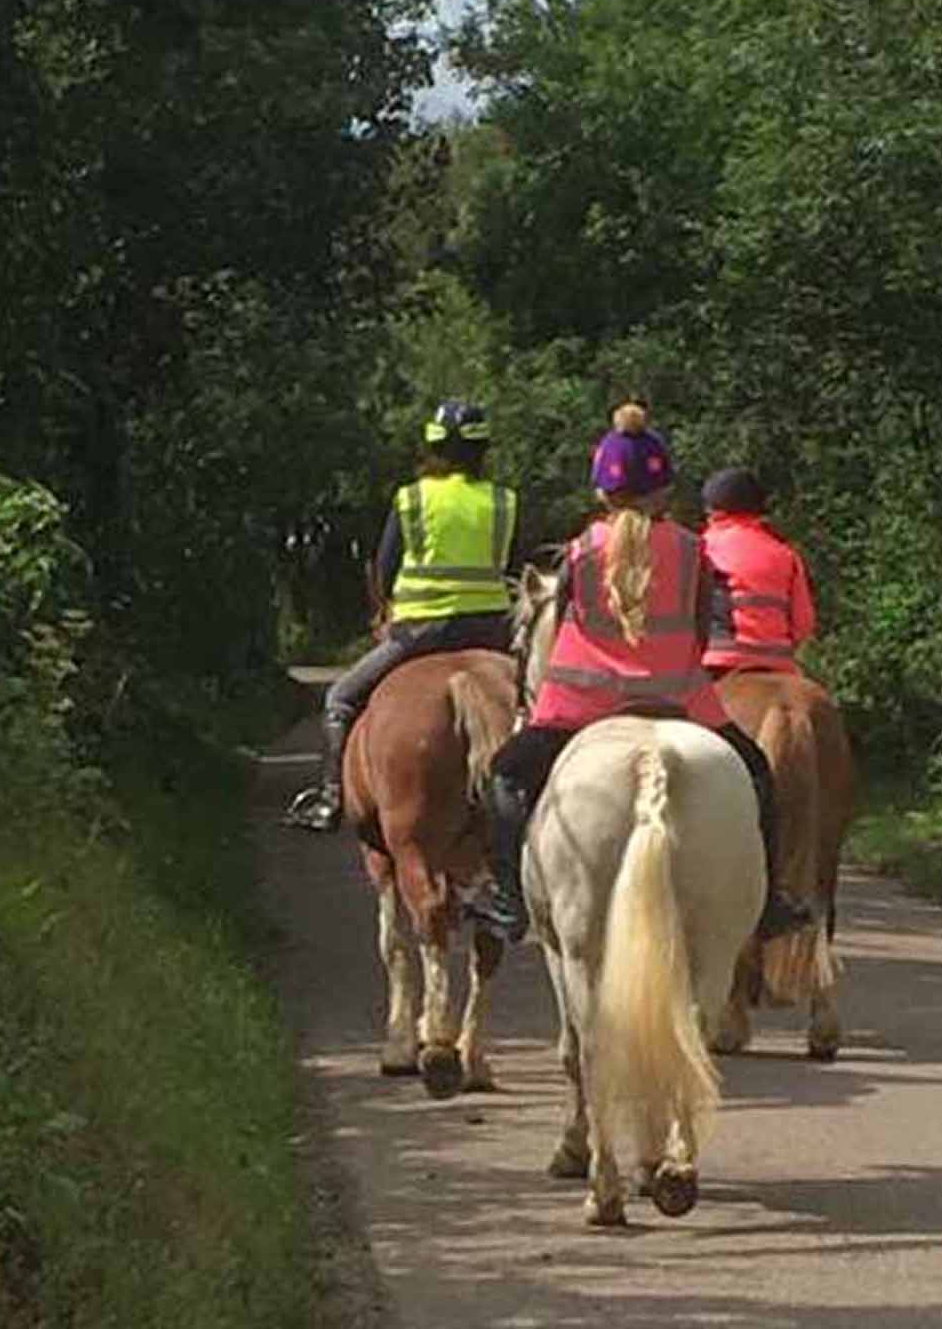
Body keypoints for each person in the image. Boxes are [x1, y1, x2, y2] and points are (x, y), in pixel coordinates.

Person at [471, 400, 812, 944]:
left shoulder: (580, 552)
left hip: (579, 708)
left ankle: (509, 902)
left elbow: (564, 632)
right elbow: (701, 633)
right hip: (680, 702)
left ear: (600, 491)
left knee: (506, 776)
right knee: (756, 775)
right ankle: (769, 903)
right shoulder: (691, 549)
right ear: (664, 491)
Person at [283, 399, 517, 833]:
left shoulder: (412, 499)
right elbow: (512, 566)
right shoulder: (504, 501)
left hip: (420, 633)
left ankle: (330, 800)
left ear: (433, 448)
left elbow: (385, 566)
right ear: (483, 450)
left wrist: (382, 613)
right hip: (491, 632)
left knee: (339, 699)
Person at [699, 467, 817, 675]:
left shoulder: (701, 549)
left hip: (719, 661)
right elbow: (803, 624)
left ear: (715, 512)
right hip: (778, 663)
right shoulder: (785, 554)